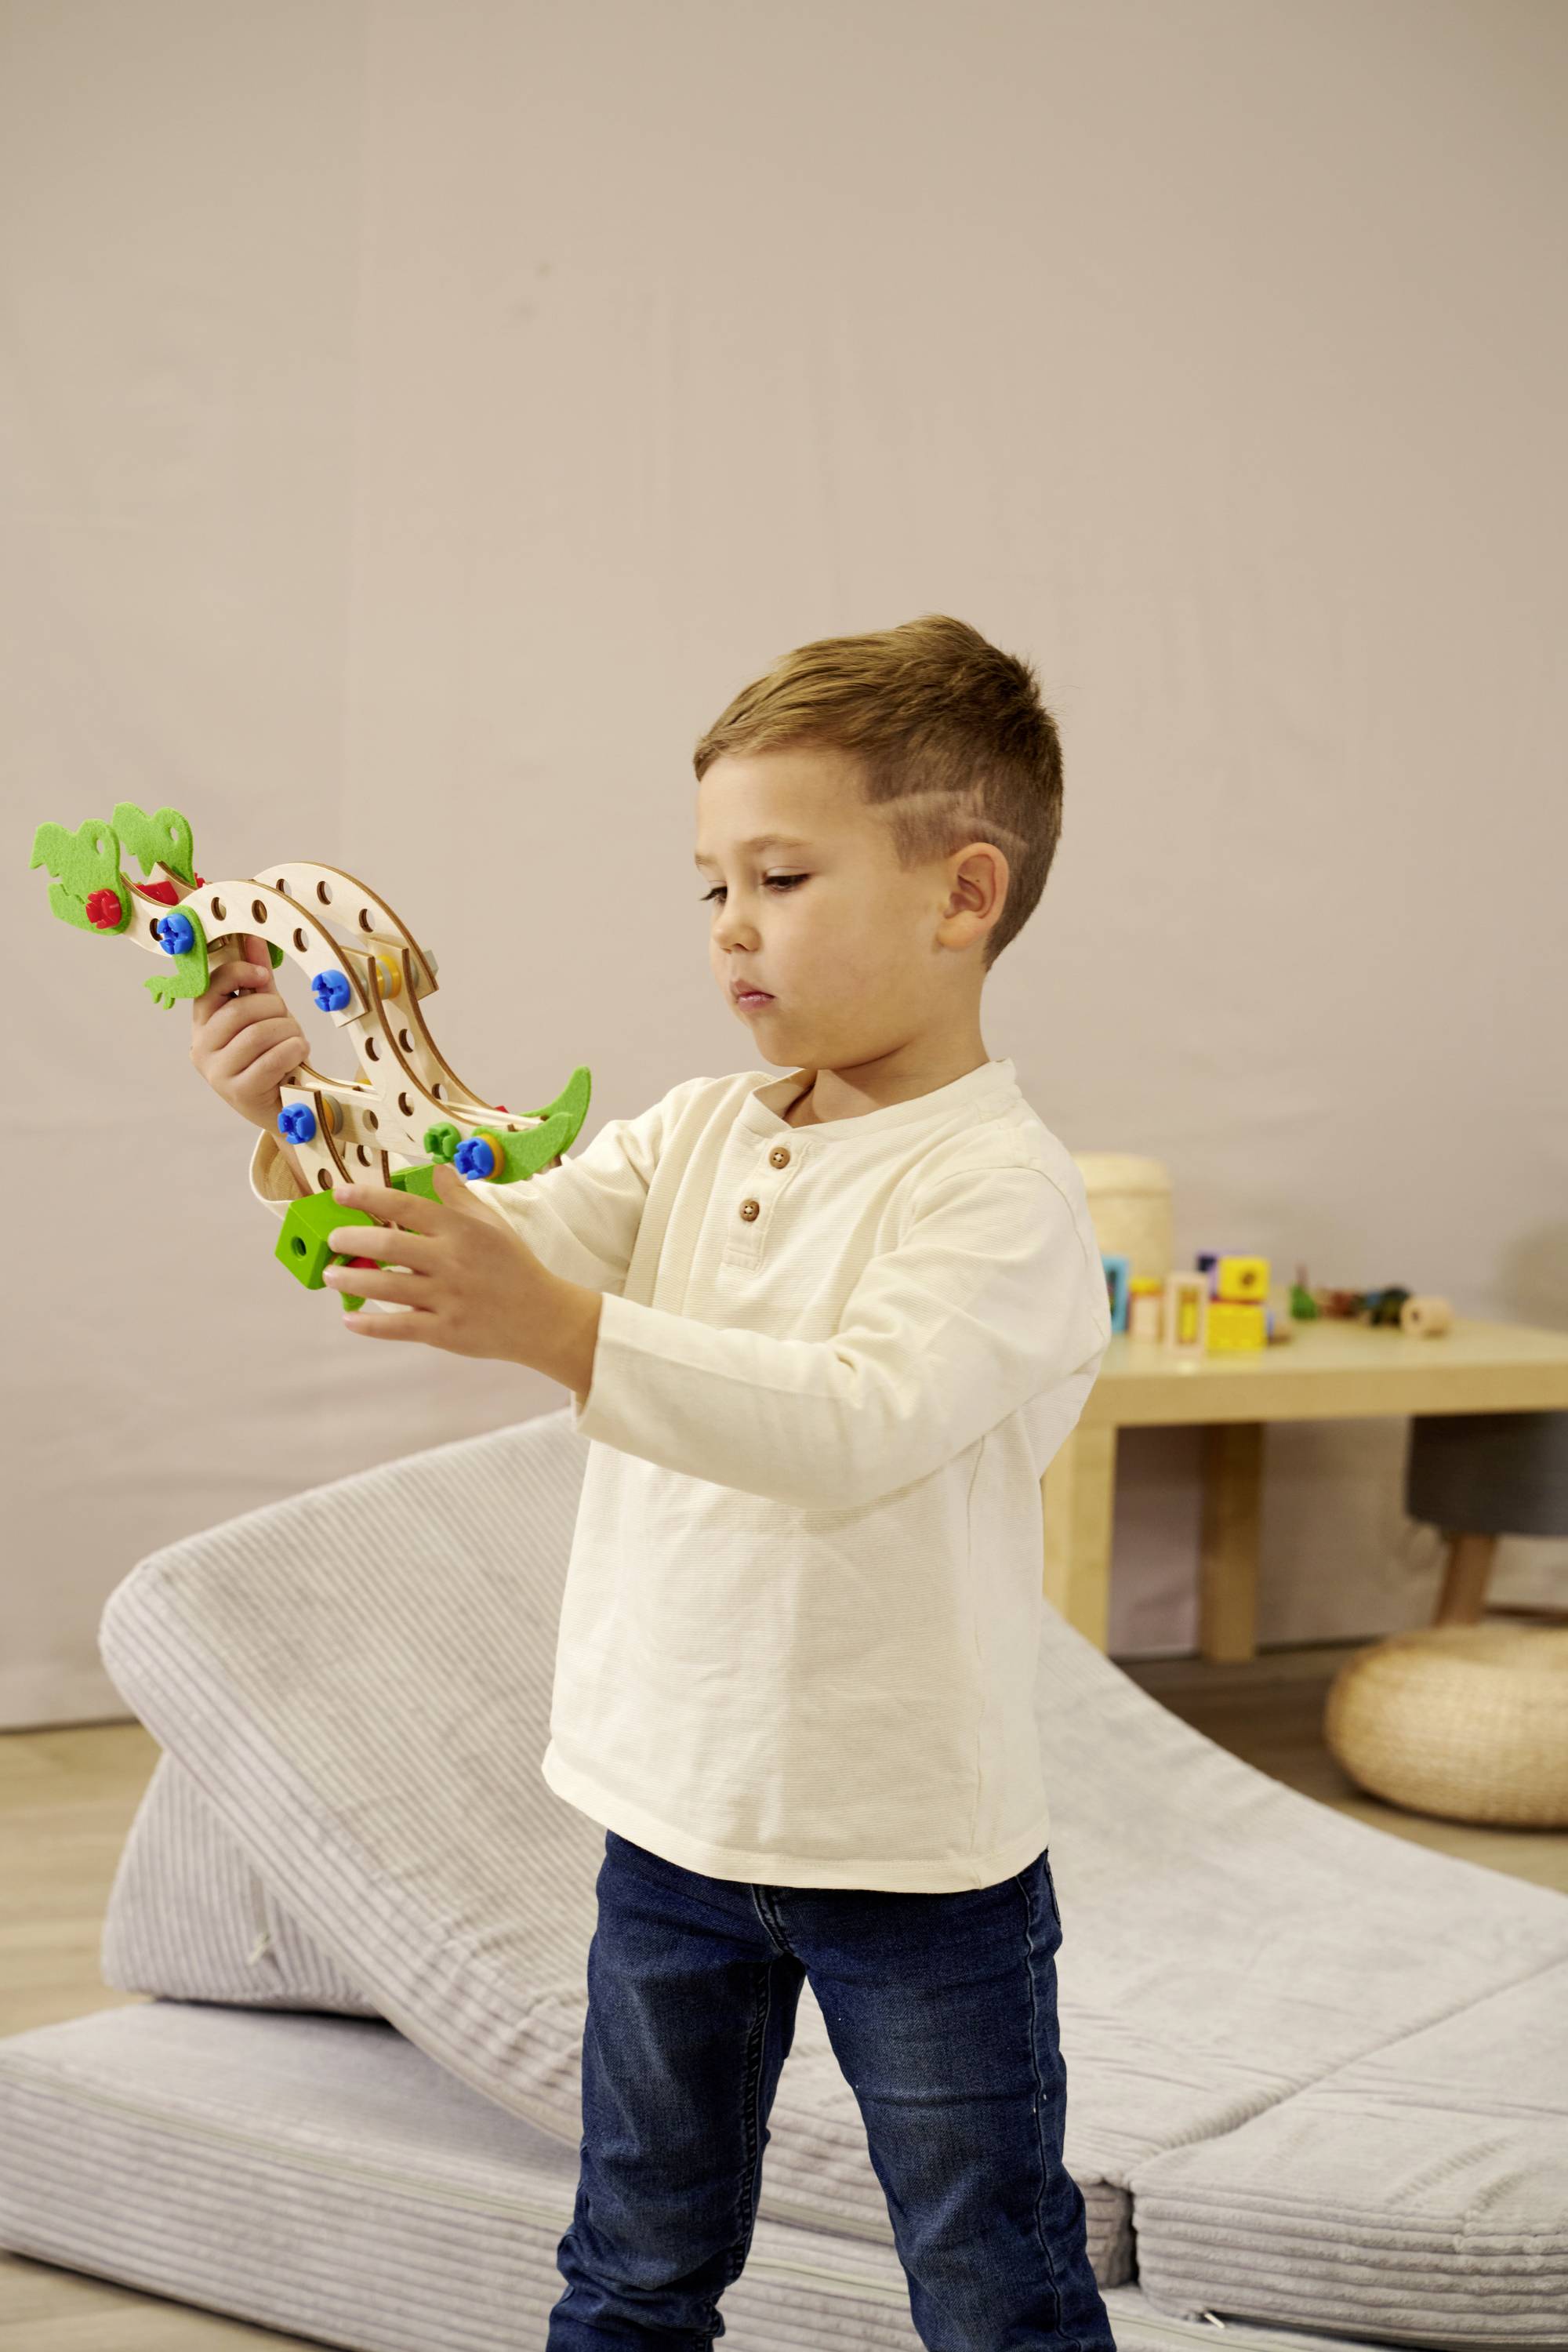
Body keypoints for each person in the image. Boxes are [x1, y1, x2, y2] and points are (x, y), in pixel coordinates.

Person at [191, 611, 1117, 2350]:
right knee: (631, 2258)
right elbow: (478, 1242)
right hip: (672, 1814)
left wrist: (556, 1328)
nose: (729, 928)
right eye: (709, 886)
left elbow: (851, 1418)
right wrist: (298, 1112)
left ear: (962, 895)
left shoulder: (998, 1193)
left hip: (911, 1852)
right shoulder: (694, 1132)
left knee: (991, 2272)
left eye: (778, 875)